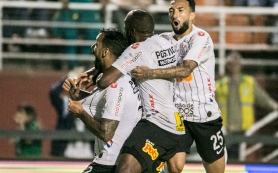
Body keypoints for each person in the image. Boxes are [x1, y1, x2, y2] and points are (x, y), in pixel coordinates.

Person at [131, 0, 226, 173]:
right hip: (178, 115)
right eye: (171, 11)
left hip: (204, 114)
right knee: (175, 167)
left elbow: (185, 70)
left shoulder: (201, 37)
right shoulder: (163, 41)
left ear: (192, 15)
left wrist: (149, 73)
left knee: (216, 170)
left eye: (181, 10)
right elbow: (135, 53)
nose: (175, 15)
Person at [95, 9, 192, 173]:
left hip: (157, 122)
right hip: (178, 125)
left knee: (124, 169)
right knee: (171, 169)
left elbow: (105, 81)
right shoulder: (166, 42)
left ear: (131, 31)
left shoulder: (136, 48)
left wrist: (96, 76)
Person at [63, 28, 142, 172]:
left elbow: (106, 133)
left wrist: (80, 112)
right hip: (114, 160)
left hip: (110, 162)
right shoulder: (112, 79)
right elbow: (102, 105)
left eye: (96, 44)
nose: (93, 48)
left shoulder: (115, 85)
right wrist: (77, 96)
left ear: (105, 52)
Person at [215, 51, 278, 160]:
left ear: (240, 65)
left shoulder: (249, 82)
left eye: (236, 63)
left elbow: (265, 100)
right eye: (231, 63)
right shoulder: (219, 85)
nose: (234, 66)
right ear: (227, 65)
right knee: (223, 159)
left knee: (238, 158)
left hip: (244, 130)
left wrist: (275, 106)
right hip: (224, 129)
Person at [49, 67, 94, 159]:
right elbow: (53, 93)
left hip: (89, 153)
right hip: (67, 153)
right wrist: (67, 79)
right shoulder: (66, 104)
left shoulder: (92, 104)